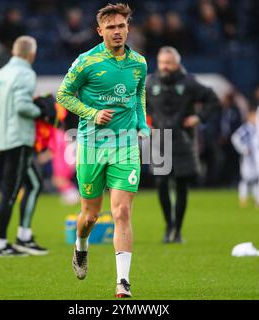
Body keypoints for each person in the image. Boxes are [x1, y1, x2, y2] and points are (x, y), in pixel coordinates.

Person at [57, 3, 150, 298]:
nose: (117, 31)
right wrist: (91, 113)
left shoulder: (140, 63)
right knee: (90, 217)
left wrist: (142, 124)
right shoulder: (86, 62)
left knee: (121, 212)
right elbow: (63, 94)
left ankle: (123, 283)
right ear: (100, 31)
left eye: (121, 26)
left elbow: (138, 95)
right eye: (110, 27)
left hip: (125, 146)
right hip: (92, 146)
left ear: (128, 28)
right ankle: (80, 247)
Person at [146, 46, 220, 243]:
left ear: (177, 64)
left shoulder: (190, 83)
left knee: (181, 186)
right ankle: (168, 225)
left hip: (183, 141)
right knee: (161, 184)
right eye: (162, 63)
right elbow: (137, 106)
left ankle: (177, 230)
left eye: (168, 63)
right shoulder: (149, 83)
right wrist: (143, 123)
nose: (165, 67)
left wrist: (199, 117)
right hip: (160, 141)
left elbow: (213, 100)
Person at [0, 36, 54, 257]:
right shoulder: (26, 72)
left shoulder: (0, 73)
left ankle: (24, 237)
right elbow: (21, 106)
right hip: (19, 138)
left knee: (34, 183)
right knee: (10, 191)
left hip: (5, 136)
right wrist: (42, 111)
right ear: (32, 54)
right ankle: (0, 244)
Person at [231, 108, 259, 207]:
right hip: (247, 158)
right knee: (245, 179)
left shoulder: (258, 128)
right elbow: (235, 138)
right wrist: (243, 149)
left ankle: (257, 198)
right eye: (255, 117)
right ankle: (243, 198)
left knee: (256, 178)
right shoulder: (246, 128)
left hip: (257, 158)